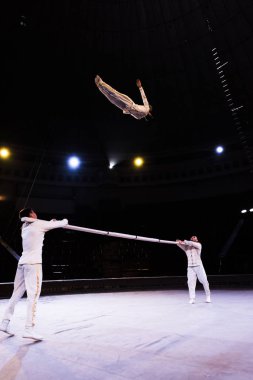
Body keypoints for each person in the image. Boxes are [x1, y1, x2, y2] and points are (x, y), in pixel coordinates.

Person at [0, 208, 68, 340]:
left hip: (22, 264)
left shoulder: (24, 227)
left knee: (16, 294)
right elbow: (62, 223)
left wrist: (49, 222)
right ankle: (29, 329)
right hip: (33, 265)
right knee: (33, 296)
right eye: (34, 212)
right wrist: (63, 221)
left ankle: (4, 322)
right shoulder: (38, 223)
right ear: (31, 214)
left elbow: (39, 228)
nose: (36, 214)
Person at [176, 236, 211, 304]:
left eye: (195, 237)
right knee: (190, 283)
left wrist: (184, 241)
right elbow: (178, 244)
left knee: (204, 281)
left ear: (197, 239)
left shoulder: (198, 245)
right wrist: (178, 241)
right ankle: (192, 298)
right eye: (192, 237)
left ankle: (208, 296)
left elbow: (191, 243)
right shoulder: (186, 247)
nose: (193, 237)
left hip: (199, 266)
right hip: (190, 267)